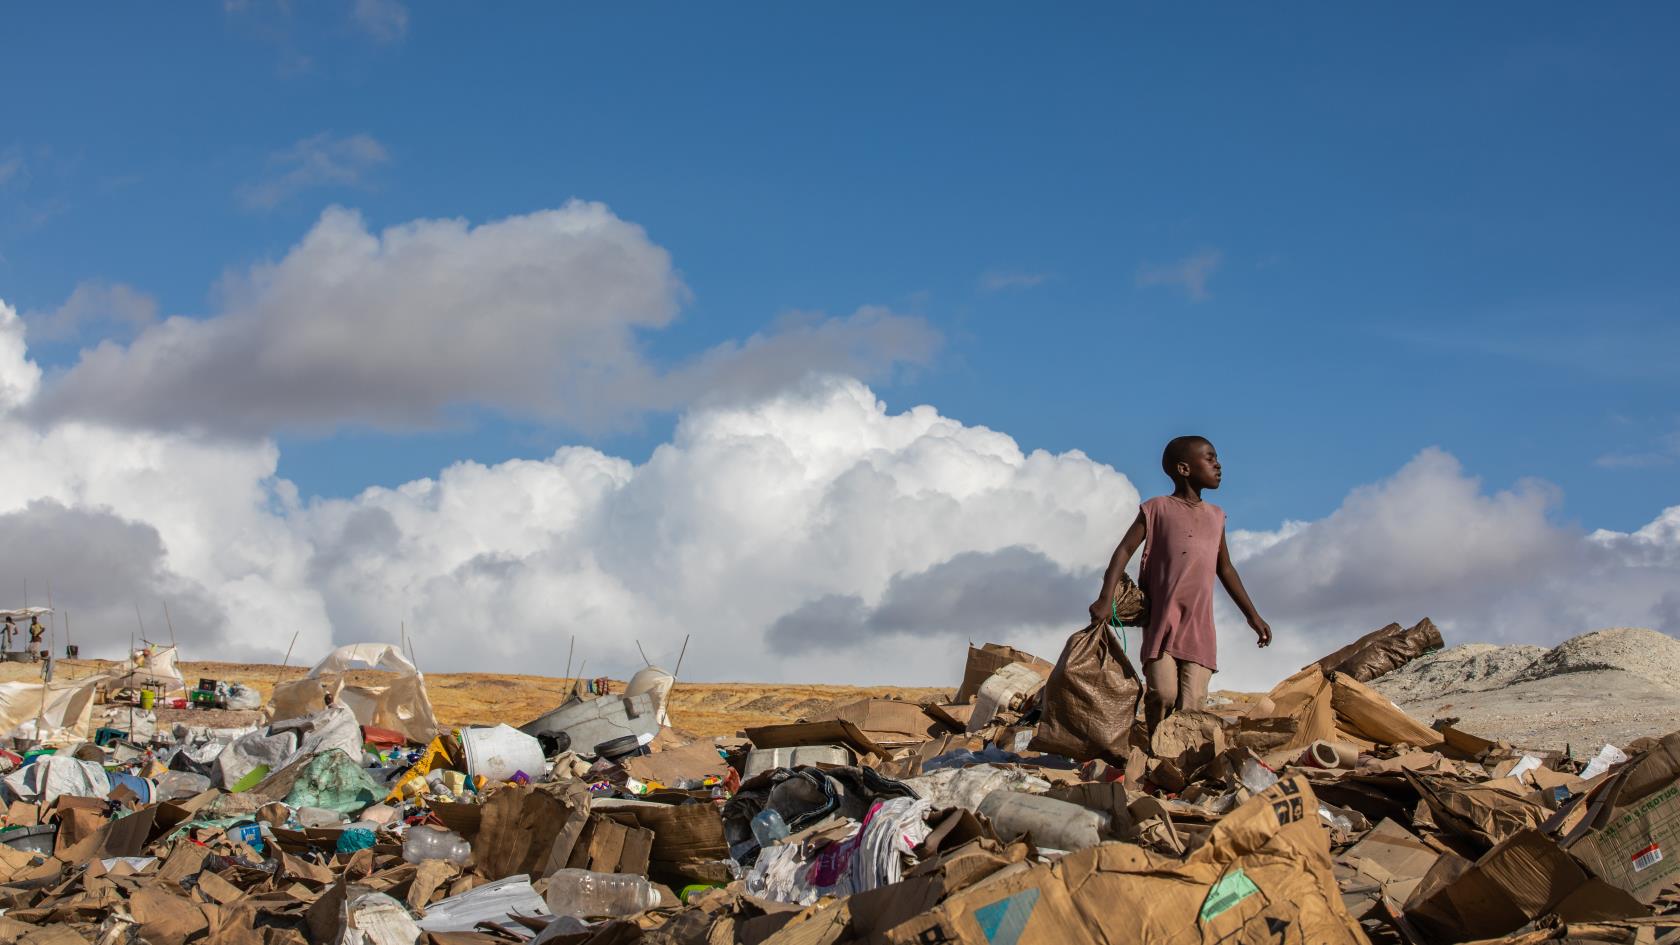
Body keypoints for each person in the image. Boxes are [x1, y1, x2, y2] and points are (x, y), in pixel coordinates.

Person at [1089, 436, 1271, 735]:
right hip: (1163, 621)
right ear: (1184, 469)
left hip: (1199, 627)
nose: (1218, 464)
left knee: (1193, 704)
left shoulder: (1215, 517)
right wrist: (1105, 598)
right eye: (1210, 458)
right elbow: (1123, 551)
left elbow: (1225, 568)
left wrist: (1252, 615)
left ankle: (1178, 766)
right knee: (1163, 694)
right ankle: (1153, 752)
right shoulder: (1157, 509)